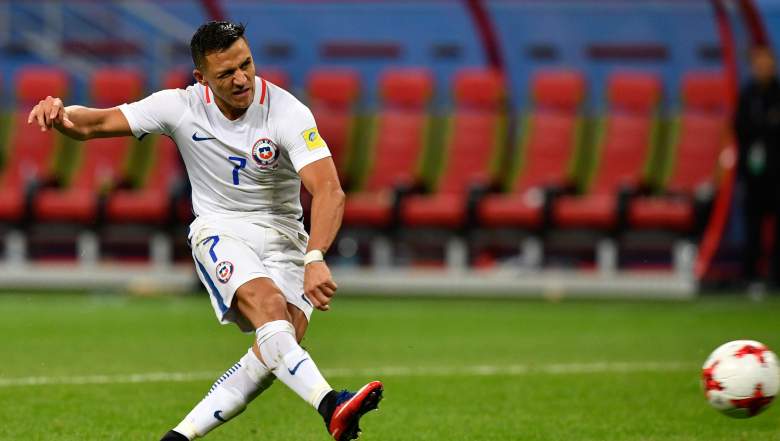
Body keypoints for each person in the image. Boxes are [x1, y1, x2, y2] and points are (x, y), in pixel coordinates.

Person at [27, 21, 382, 441]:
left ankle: (178, 437)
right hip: (221, 230)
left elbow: (329, 190)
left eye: (246, 64)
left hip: (286, 238)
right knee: (269, 308)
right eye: (226, 73)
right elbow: (95, 124)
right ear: (202, 78)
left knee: (278, 346)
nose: (242, 79)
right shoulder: (179, 106)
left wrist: (315, 256)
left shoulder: (287, 112)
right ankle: (331, 403)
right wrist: (61, 114)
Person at [735, 45, 780, 290]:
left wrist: (763, 127)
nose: (764, 68)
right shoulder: (747, 94)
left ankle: (776, 278)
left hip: (777, 172)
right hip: (753, 173)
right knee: (752, 225)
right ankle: (749, 276)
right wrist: (766, 125)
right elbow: (741, 129)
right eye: (759, 64)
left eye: (768, 64)